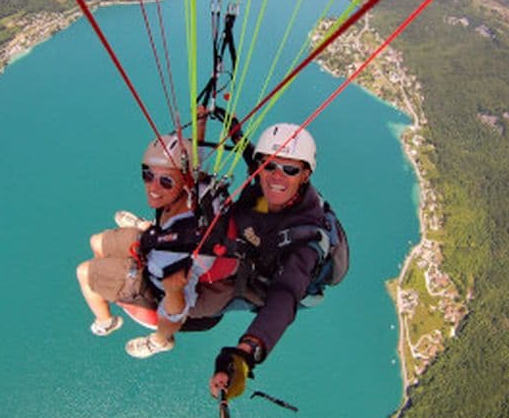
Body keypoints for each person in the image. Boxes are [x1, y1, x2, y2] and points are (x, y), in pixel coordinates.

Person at [204, 123, 328, 399]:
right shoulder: (262, 183)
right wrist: (233, 127)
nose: (276, 176)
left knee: (201, 308)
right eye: (270, 166)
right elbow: (254, 157)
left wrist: (246, 352)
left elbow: (285, 296)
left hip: (270, 281)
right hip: (252, 250)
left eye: (290, 170)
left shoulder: (304, 235)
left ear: (305, 175)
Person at [76, 133, 220, 358]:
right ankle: (146, 228)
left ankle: (106, 322)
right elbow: (194, 157)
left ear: (183, 181)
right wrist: (199, 122)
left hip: (153, 299)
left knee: (84, 272)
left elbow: (175, 314)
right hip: (155, 246)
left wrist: (172, 296)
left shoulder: (175, 259)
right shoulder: (199, 188)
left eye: (165, 181)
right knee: (96, 241)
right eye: (148, 174)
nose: (153, 186)